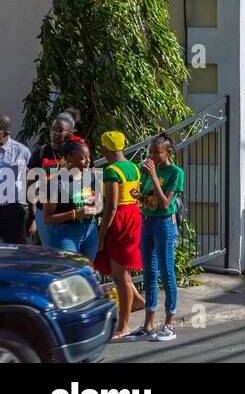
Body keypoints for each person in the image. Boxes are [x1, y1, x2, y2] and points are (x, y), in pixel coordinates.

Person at [133, 134, 185, 342]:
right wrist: (140, 196)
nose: (152, 156)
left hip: (164, 223)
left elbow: (165, 204)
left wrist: (154, 176)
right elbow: (149, 201)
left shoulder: (175, 172)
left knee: (166, 272)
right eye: (150, 153)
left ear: (168, 152)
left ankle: (169, 323)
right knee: (149, 274)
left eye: (157, 152)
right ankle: (148, 325)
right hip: (148, 222)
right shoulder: (147, 172)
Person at [94, 130, 143, 340]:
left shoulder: (111, 171)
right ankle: (138, 301)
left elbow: (111, 207)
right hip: (134, 215)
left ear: (105, 149)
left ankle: (123, 327)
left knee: (120, 276)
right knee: (122, 270)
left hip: (120, 219)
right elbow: (137, 195)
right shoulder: (134, 167)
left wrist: (101, 235)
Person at [40, 139, 99, 259]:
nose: (88, 161)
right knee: (70, 273)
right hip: (66, 234)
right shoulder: (57, 183)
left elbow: (99, 205)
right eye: (83, 158)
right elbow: (47, 218)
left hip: (90, 231)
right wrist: (75, 213)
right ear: (70, 158)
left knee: (88, 272)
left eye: (89, 157)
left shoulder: (91, 178)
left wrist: (96, 209)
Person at [30, 112, 75, 245]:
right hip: (44, 212)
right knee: (51, 251)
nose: (55, 133)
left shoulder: (77, 152)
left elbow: (89, 177)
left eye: (60, 130)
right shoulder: (41, 152)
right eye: (53, 129)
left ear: (70, 133)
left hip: (69, 213)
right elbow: (30, 184)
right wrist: (33, 214)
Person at [0, 115, 31, 244]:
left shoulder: (21, 152)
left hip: (12, 210)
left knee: (17, 250)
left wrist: (33, 216)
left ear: (6, 133)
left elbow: (31, 182)